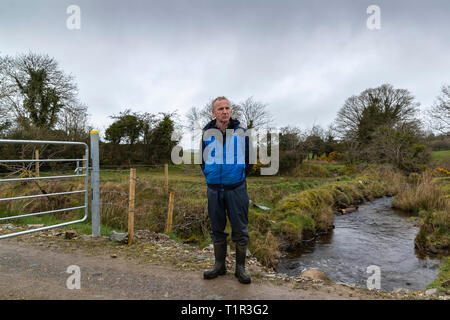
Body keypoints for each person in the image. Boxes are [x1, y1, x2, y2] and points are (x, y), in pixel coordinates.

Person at [200, 96, 253, 284]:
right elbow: (202, 160)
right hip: (214, 189)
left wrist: (237, 175)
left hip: (236, 189)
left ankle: (240, 269)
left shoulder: (241, 132)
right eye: (220, 108)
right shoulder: (207, 132)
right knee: (217, 228)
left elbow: (249, 160)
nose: (225, 111)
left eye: (227, 108)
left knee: (240, 229)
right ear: (213, 113)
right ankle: (219, 265)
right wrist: (210, 174)